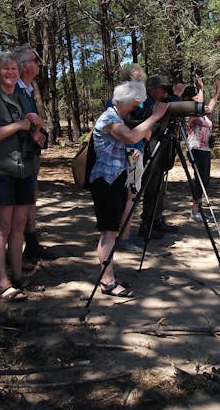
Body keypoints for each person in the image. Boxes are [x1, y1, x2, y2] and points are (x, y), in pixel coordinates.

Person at [89, 81, 168, 297]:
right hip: (105, 181)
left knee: (112, 231)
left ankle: (109, 275)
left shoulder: (117, 118)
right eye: (134, 105)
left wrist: (128, 155)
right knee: (109, 231)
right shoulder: (108, 118)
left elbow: (116, 145)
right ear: (123, 102)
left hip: (114, 179)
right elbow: (132, 136)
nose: (135, 109)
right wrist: (154, 117)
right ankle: (107, 282)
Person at [0, 51, 43, 301]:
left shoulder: (24, 97)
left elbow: (35, 126)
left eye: (14, 69)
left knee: (19, 227)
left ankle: (18, 277)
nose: (10, 72)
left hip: (23, 170)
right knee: (1, 228)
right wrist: (18, 126)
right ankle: (2, 283)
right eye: (5, 68)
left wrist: (36, 127)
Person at [134, 75, 185, 239]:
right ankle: (147, 226)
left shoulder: (152, 102)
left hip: (157, 149)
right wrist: (175, 96)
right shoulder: (146, 103)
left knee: (159, 188)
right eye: (162, 88)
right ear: (153, 90)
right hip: (149, 150)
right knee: (152, 188)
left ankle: (156, 220)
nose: (165, 92)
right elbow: (162, 111)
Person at [13, 44, 51, 263]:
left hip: (29, 154)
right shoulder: (15, 91)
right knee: (23, 201)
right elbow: (15, 121)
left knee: (31, 198)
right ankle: (20, 252)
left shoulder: (27, 90)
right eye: (35, 60)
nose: (39, 63)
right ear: (24, 65)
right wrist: (34, 133)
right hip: (19, 156)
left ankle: (32, 243)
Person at [115, 64, 148, 253]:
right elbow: (126, 129)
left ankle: (123, 233)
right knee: (130, 196)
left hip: (135, 149)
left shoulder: (120, 99)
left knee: (129, 196)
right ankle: (124, 236)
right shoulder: (125, 102)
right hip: (131, 152)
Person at [182, 76, 220, 222]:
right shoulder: (191, 115)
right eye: (197, 97)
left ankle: (198, 208)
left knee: (205, 180)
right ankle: (195, 210)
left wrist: (217, 91)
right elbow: (199, 106)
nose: (199, 98)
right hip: (195, 149)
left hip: (205, 150)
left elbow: (210, 106)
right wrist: (201, 89)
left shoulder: (203, 114)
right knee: (199, 180)